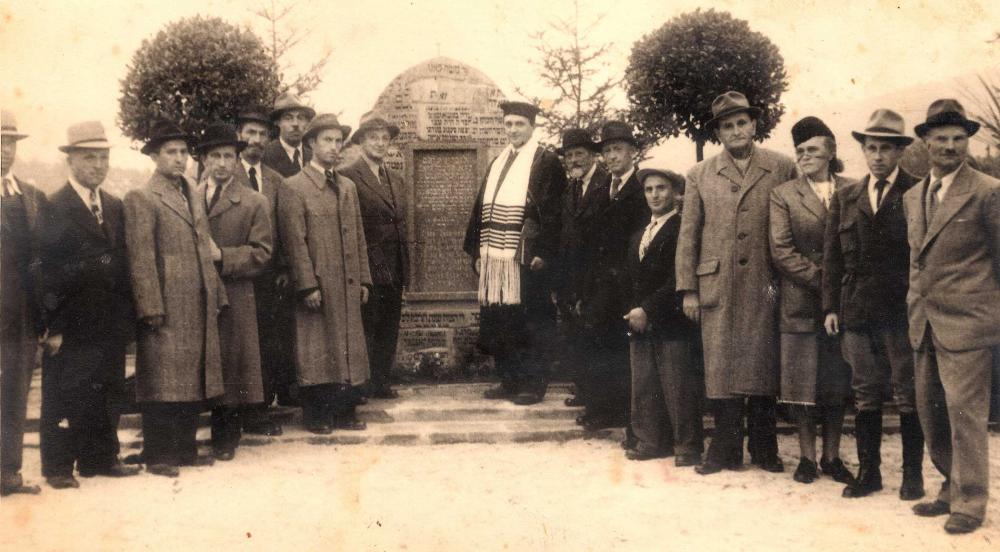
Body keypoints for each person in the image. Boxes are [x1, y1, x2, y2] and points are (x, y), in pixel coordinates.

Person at [675, 91, 797, 475]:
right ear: (719, 133)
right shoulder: (700, 175)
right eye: (727, 126)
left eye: (742, 122)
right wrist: (689, 289)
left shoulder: (782, 167)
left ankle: (764, 448)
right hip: (718, 284)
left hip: (766, 281)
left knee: (763, 363)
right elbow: (689, 235)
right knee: (722, 367)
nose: (736, 130)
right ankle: (724, 449)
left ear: (754, 125)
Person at [903, 99, 1000, 534]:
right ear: (925, 142)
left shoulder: (987, 190)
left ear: (967, 142)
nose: (950, 146)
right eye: (941, 138)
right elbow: (916, 260)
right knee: (932, 412)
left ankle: (971, 501)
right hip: (924, 321)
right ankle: (948, 487)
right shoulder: (913, 196)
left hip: (967, 324)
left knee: (965, 414)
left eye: (958, 138)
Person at [823, 109, 924, 500]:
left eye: (886, 148)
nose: (878, 156)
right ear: (863, 151)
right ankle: (870, 474)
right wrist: (831, 307)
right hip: (857, 309)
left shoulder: (917, 192)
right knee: (865, 391)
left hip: (901, 308)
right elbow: (832, 257)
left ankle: (911, 476)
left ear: (900, 152)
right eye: (871, 148)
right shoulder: (846, 197)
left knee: (906, 392)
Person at [36, 121, 141, 489]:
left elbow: (122, 263)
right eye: (90, 158)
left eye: (103, 157)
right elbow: (46, 271)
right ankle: (59, 466)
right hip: (72, 322)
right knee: (67, 392)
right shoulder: (53, 205)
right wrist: (53, 327)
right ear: (72, 161)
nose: (98, 165)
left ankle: (101, 458)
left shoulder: (113, 206)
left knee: (108, 389)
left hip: (109, 320)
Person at [123, 121, 227, 477]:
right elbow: (140, 257)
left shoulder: (193, 191)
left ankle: (184, 449)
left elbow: (203, 247)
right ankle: (158, 454)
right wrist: (150, 306)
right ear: (154, 156)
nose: (179, 158)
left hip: (196, 302)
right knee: (161, 382)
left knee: (191, 379)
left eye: (183, 152)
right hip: (166, 305)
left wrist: (214, 292)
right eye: (171, 152)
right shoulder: (142, 197)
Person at [463, 101, 566, 406]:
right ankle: (509, 380)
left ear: (532, 127)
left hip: (527, 257)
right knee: (501, 319)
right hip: (497, 256)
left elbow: (554, 212)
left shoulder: (545, 162)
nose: (513, 130)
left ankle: (533, 385)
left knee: (531, 321)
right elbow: (482, 206)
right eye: (508, 124)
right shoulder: (499, 161)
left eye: (519, 124)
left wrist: (544, 251)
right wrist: (478, 251)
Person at [770, 117, 855, 485]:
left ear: (831, 152)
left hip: (844, 306)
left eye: (813, 150)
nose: (804, 156)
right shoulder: (784, 194)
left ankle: (832, 457)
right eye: (800, 150)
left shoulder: (853, 189)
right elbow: (781, 250)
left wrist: (842, 287)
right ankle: (806, 458)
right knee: (801, 383)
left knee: (836, 382)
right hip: (800, 302)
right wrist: (826, 281)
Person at [277, 113, 372, 433]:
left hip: (346, 284)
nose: (334, 147)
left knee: (347, 346)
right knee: (316, 349)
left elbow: (358, 236)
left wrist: (363, 279)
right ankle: (317, 414)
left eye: (337, 141)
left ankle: (346, 411)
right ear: (311, 144)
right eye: (327, 140)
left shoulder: (347, 186)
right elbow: (294, 242)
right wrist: (306, 285)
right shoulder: (294, 188)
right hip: (318, 284)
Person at [196, 123, 273, 461]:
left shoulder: (253, 201)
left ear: (237, 159)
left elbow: (263, 252)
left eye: (229, 156)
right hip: (196, 292)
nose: (223, 163)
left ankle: (226, 436)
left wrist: (223, 256)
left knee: (232, 364)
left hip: (235, 292)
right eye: (215, 156)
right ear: (204, 159)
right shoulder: (190, 195)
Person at [623, 167, 703, 466]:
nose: (655, 195)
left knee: (677, 384)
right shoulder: (640, 234)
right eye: (649, 190)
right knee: (644, 383)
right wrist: (634, 311)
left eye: (662, 188)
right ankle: (650, 441)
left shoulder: (682, 229)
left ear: (675, 192)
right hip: (640, 320)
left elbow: (678, 278)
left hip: (671, 319)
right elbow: (632, 278)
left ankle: (687, 446)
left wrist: (648, 308)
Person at [576, 121, 649, 433]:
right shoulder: (601, 189)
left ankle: (626, 413)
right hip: (600, 283)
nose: (612, 156)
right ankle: (602, 409)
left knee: (625, 349)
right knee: (599, 344)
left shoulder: (642, 188)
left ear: (632, 151)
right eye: (606, 151)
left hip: (629, 283)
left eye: (618, 149)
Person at [341, 114, 410, 400]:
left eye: (385, 138)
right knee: (367, 324)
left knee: (388, 325)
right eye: (373, 137)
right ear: (360, 141)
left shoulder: (395, 178)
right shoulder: (348, 175)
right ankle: (362, 384)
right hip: (369, 263)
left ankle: (381, 381)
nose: (380, 143)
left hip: (394, 264)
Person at [235, 109, 291, 435]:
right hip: (239, 273)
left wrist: (283, 266)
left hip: (269, 276)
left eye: (260, 135)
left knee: (269, 341)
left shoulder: (275, 180)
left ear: (268, 140)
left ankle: (263, 406)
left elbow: (283, 227)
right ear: (239, 134)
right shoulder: (226, 176)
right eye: (249, 133)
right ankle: (244, 410)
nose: (254, 141)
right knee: (243, 342)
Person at [1, 110, 47, 496]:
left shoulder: (30, 196)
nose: (4, 150)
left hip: (20, 316)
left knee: (15, 392)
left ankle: (9, 472)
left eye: (9, 142)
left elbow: (41, 260)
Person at [553, 128, 610, 410]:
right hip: (571, 278)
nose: (574, 160)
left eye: (579, 154)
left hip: (596, 277)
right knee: (577, 339)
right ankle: (585, 392)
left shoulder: (606, 183)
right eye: (569, 155)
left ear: (592, 156)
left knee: (596, 339)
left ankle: (599, 403)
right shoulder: (570, 189)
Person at [263, 92, 315, 178]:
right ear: (277, 122)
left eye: (300, 118)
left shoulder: (313, 157)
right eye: (288, 118)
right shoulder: (265, 156)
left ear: (307, 122)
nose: (295, 124)